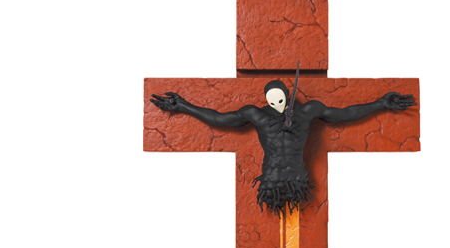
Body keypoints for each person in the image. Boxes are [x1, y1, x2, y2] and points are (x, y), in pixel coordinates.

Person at [150, 80, 414, 217]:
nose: (276, 106)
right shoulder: (256, 115)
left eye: (280, 100)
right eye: (271, 101)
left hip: (299, 182)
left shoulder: (307, 111)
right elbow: (219, 119)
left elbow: (345, 113)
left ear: (287, 96)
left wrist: (381, 103)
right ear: (266, 101)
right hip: (272, 183)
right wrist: (183, 106)